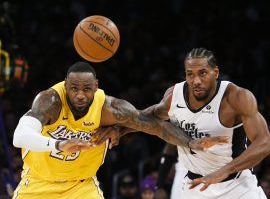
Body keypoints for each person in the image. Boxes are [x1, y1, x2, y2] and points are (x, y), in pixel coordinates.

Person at [12, 62, 226, 199]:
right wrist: (58, 144)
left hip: (80, 188)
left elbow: (155, 125)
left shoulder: (110, 109)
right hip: (38, 184)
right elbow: (19, 136)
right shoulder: (50, 101)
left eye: (86, 89)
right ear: (65, 85)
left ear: (96, 86)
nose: (80, 95)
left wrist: (190, 143)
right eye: (74, 88)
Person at [94, 48, 270, 198]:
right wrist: (119, 130)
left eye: (203, 73)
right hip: (195, 187)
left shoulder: (236, 97)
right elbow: (150, 116)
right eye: (190, 74)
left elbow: (264, 142)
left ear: (215, 72)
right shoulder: (175, 96)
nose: (196, 81)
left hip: (237, 186)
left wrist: (224, 170)